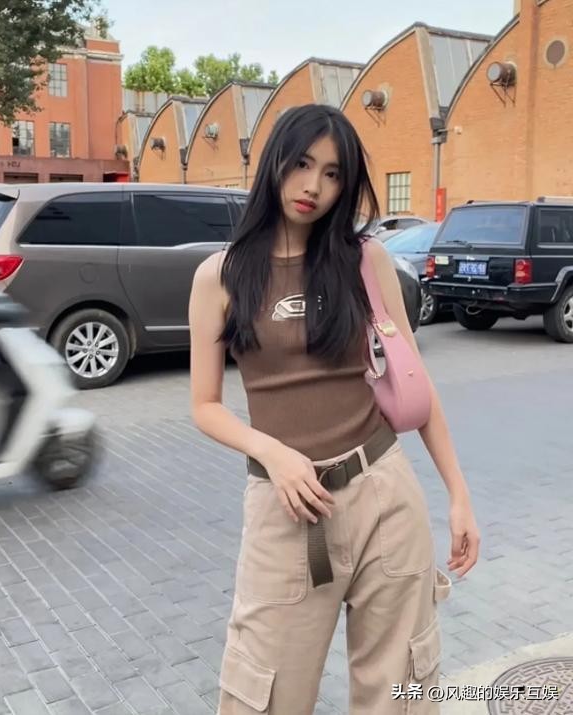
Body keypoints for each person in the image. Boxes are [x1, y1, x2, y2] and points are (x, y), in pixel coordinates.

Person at [189, 104, 479, 715]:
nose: (312, 186)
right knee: (263, 693)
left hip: (383, 495)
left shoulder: (364, 261)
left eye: (331, 173)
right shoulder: (221, 275)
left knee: (401, 690)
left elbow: (416, 381)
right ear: (275, 162)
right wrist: (272, 453)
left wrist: (458, 494)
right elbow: (206, 406)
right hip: (286, 507)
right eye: (301, 164)